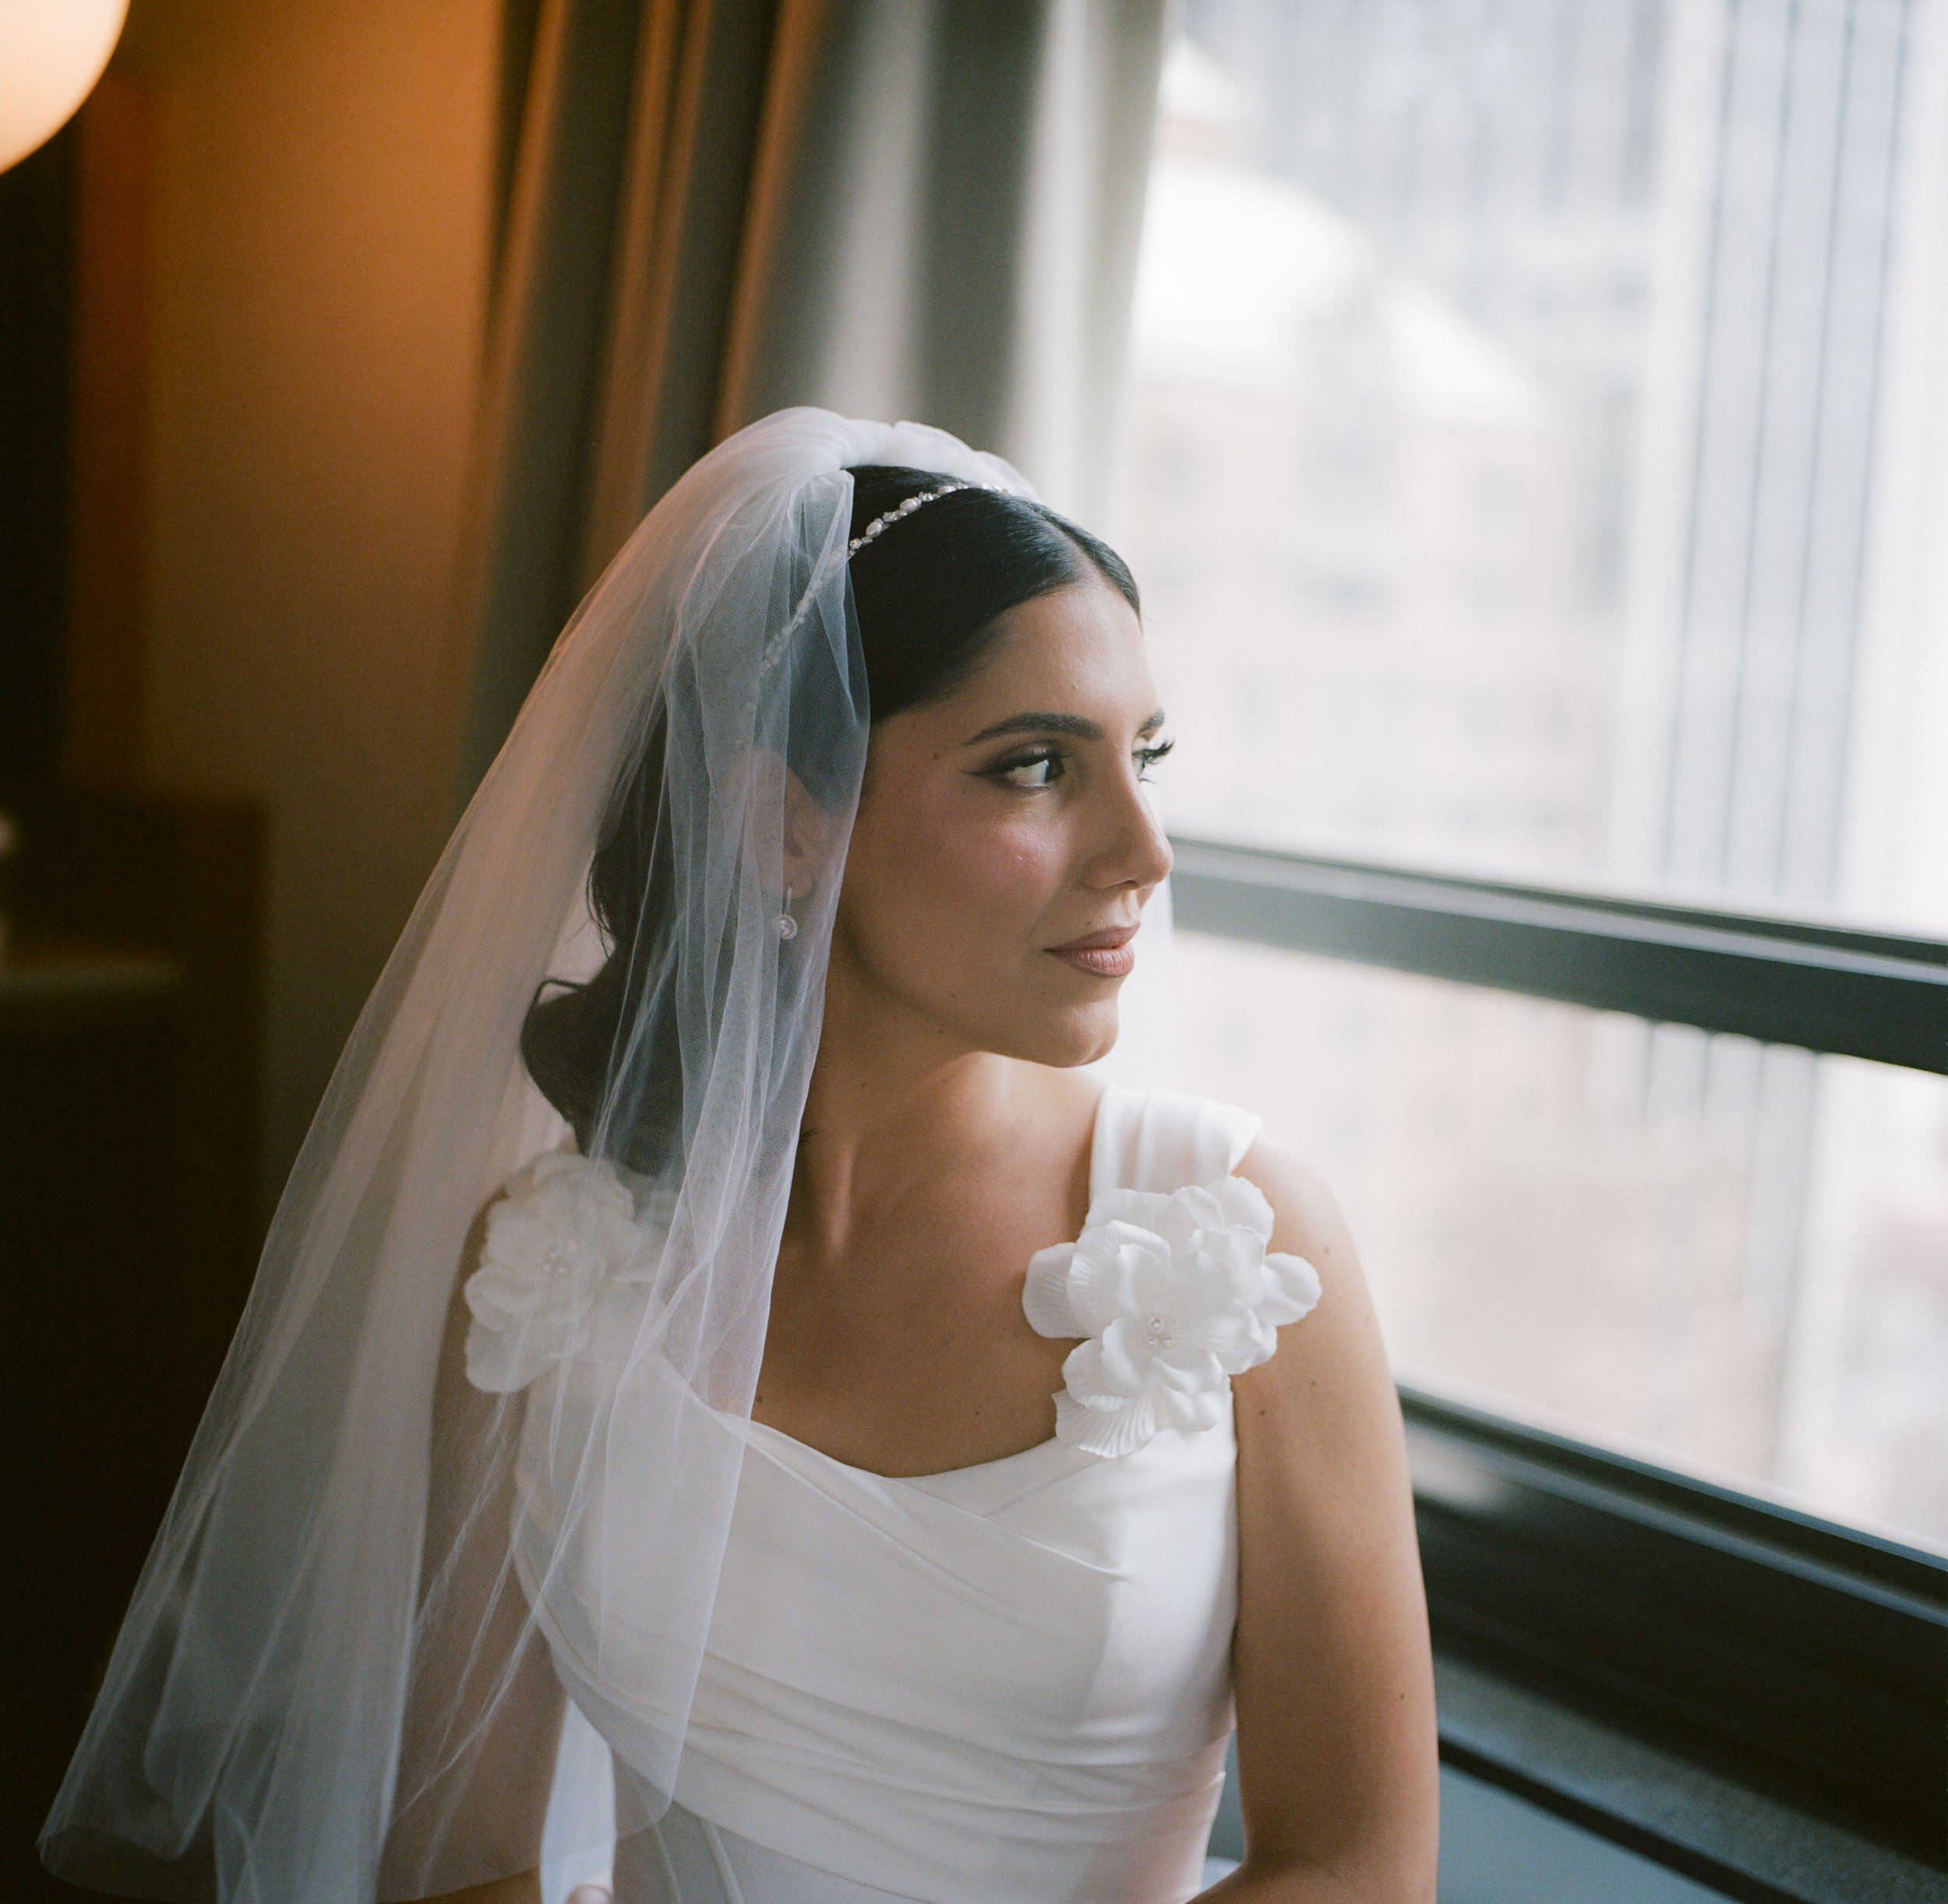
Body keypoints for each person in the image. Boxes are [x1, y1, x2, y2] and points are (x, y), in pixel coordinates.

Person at [41, 410, 1438, 1904]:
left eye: (1143, 758)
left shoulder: (1232, 1239)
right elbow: (460, 1863)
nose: (1143, 852)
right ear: (784, 825)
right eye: (1035, 767)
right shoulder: (546, 1269)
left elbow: (1356, 1864)